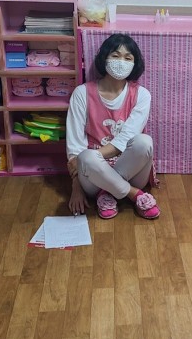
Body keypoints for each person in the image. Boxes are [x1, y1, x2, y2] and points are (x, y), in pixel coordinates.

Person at [66, 33, 159, 219]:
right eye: (115, 56)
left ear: (135, 63)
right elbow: (74, 150)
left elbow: (125, 141)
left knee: (144, 141)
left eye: (128, 58)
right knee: (85, 156)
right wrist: (76, 188)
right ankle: (133, 193)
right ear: (104, 58)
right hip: (93, 175)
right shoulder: (82, 93)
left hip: (130, 169)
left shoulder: (142, 95)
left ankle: (107, 191)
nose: (121, 62)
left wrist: (93, 159)